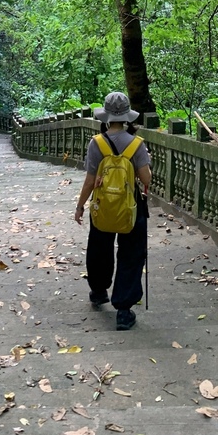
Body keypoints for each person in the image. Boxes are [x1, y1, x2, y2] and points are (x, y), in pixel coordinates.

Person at [74, 91, 152, 331]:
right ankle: (124, 310)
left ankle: (98, 291)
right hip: (130, 206)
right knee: (131, 254)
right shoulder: (137, 144)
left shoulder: (96, 143)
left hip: (102, 205)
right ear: (128, 117)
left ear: (106, 117)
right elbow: (145, 178)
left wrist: (80, 205)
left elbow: (89, 180)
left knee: (99, 247)